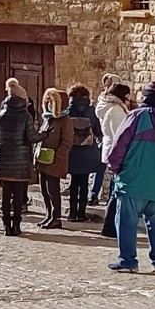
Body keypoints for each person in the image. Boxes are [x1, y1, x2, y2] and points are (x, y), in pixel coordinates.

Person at [106, 78, 155, 274]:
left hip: (133, 179)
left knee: (126, 222)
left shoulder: (136, 116)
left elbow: (119, 145)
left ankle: (128, 261)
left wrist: (116, 168)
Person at [0, 81, 39, 235]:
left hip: (3, 158)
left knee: (6, 194)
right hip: (20, 160)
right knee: (18, 195)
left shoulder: (0, 114)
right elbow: (31, 137)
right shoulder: (26, 116)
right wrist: (45, 134)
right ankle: (16, 226)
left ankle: (6, 226)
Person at [34, 88, 73, 230]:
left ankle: (56, 217)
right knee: (44, 189)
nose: (49, 103)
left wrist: (57, 158)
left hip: (54, 162)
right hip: (43, 159)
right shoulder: (48, 118)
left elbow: (67, 142)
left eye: (52, 101)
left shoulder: (65, 120)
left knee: (53, 190)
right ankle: (48, 214)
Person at [97, 83, 133, 238]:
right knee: (116, 191)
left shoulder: (110, 108)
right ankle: (109, 226)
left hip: (111, 152)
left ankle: (111, 225)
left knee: (115, 190)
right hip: (117, 154)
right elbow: (120, 135)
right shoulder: (116, 111)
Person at [63, 84, 103, 222]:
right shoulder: (92, 111)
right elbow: (98, 131)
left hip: (73, 151)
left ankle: (72, 213)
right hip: (88, 151)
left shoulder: (68, 111)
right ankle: (81, 213)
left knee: (73, 183)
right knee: (84, 183)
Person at [89, 73, 121, 205]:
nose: (106, 87)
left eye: (109, 84)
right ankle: (96, 194)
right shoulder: (110, 102)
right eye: (105, 84)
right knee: (104, 168)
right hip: (107, 137)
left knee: (109, 169)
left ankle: (101, 195)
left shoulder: (104, 101)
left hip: (106, 136)